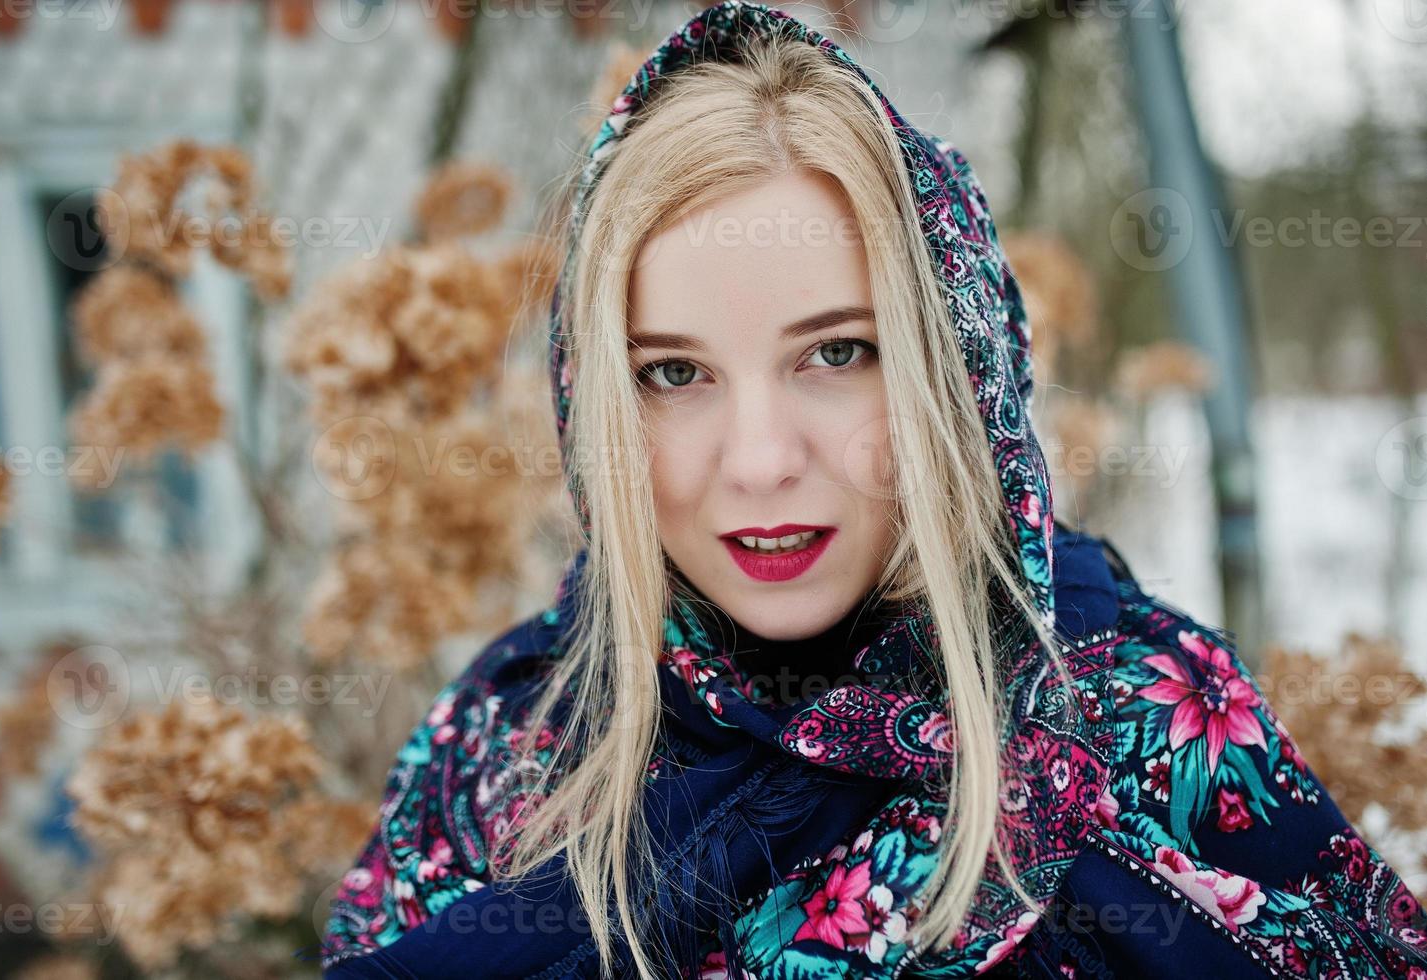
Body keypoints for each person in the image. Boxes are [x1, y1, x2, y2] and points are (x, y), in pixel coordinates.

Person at [313, 3, 1427, 977]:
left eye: (837, 353)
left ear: (956, 365)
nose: (759, 460)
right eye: (674, 373)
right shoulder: (516, 738)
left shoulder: (1142, 723)